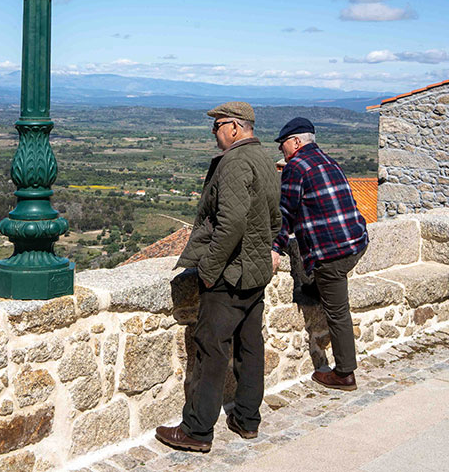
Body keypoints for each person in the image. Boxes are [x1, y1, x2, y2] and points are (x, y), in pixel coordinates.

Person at [155, 101, 281, 453]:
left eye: (218, 125)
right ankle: (246, 419)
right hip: (255, 271)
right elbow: (274, 219)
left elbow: (230, 224)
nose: (214, 131)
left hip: (229, 275)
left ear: (236, 128)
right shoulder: (264, 159)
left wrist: (209, 270)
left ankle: (196, 430)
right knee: (250, 348)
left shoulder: (236, 162)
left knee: (211, 351)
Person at [271, 117, 368, 391]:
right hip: (357, 241)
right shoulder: (328, 160)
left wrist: (275, 247)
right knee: (325, 287)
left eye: (284, 144)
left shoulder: (296, 167)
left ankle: (345, 373)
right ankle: (316, 287)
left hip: (332, 252)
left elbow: (285, 213)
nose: (282, 150)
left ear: (297, 142)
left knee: (337, 312)